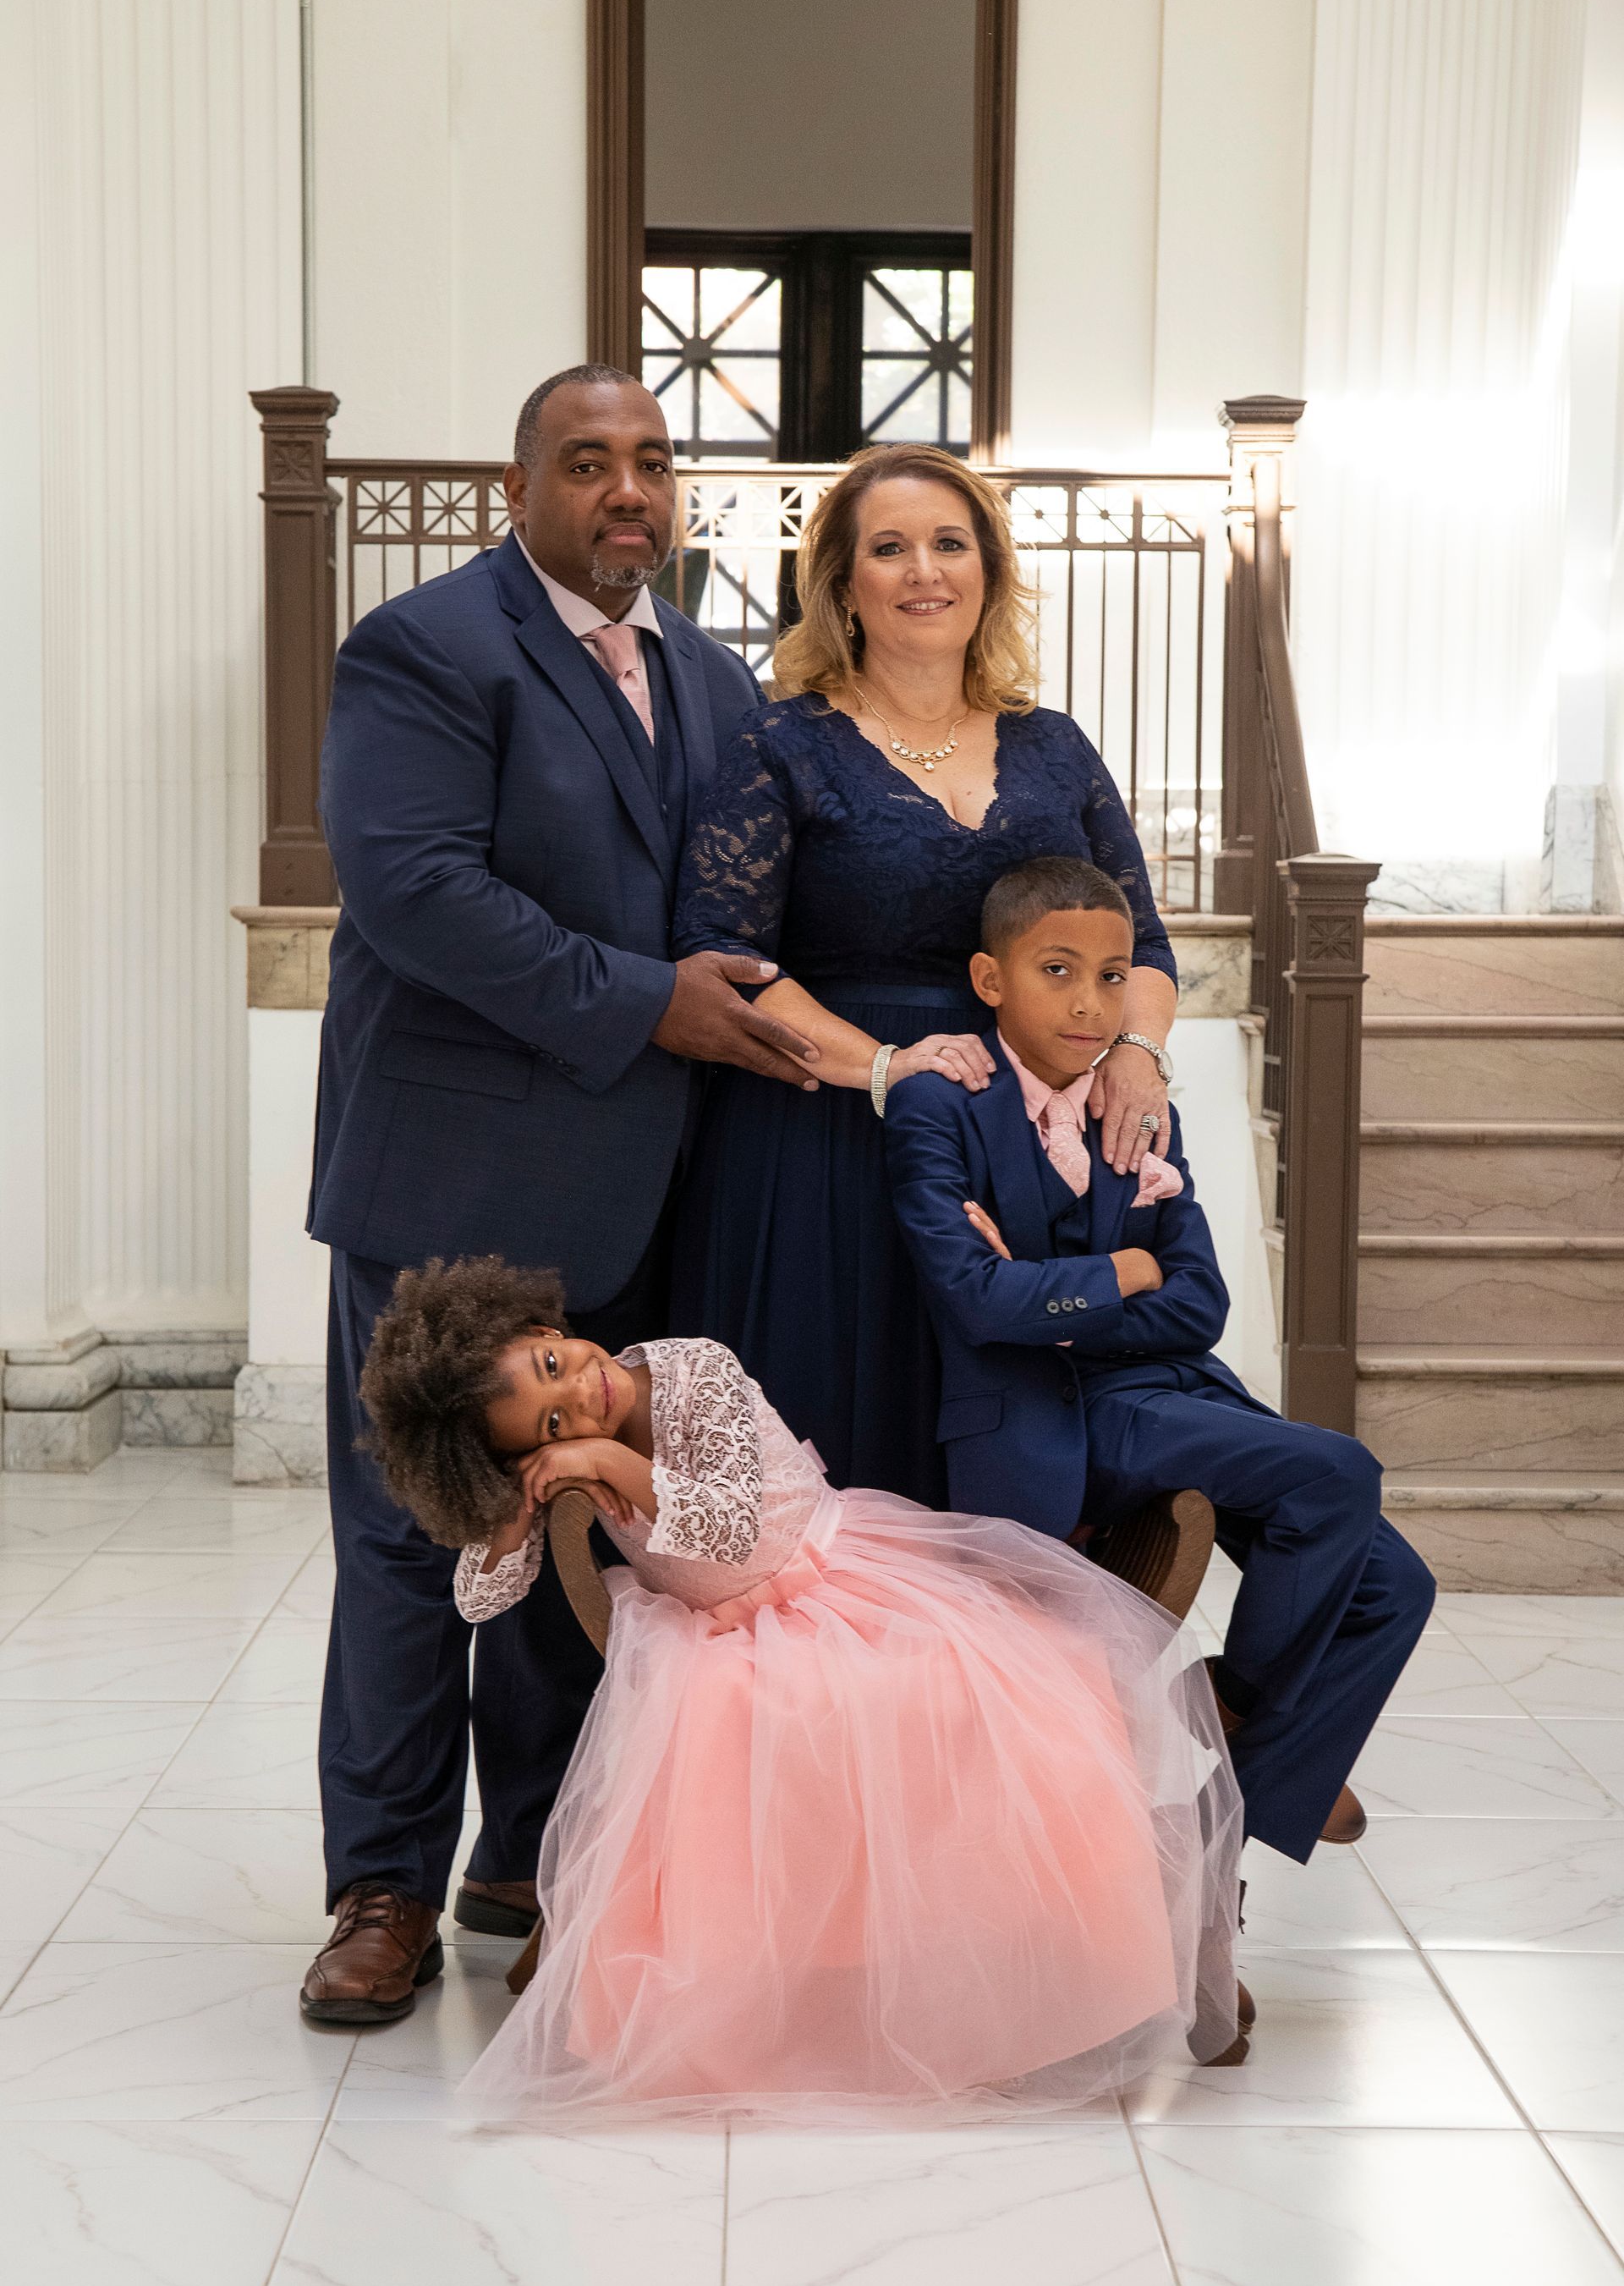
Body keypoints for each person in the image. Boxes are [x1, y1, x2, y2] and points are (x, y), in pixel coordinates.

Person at [299, 365, 816, 2027]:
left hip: (636, 1185)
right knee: (409, 1541)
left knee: (575, 1533)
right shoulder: (429, 651)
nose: (627, 490)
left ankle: (524, 1856)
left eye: (654, 462)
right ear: (514, 487)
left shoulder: (717, 682)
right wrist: (647, 1002)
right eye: (587, 461)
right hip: (447, 1188)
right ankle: (380, 1881)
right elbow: (416, 892)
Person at [354, 1256, 1245, 2121]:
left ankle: (1007, 1975)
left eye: (555, 1366)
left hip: (835, 1584)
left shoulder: (694, 1369)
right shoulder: (564, 1452)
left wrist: (611, 1464)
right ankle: (746, 2008)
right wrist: (513, 1514)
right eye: (549, 1423)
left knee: (962, 1704)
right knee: (722, 1725)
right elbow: (480, 1599)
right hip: (717, 1637)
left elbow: (734, 1530)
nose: (578, 1398)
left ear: (548, 1330)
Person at [886, 855, 1437, 1866]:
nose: (1091, 1002)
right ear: (988, 978)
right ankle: (1233, 1722)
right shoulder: (940, 1104)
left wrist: (1068, 1293)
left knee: (1397, 1584)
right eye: (1057, 970)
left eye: (1112, 975)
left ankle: (1236, 1769)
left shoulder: (1142, 1106)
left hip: (1169, 1392)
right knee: (1340, 1470)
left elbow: (1201, 1307)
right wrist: (1125, 1270)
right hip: (1054, 1414)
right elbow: (972, 1299)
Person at [670, 442, 1181, 1509]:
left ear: (988, 571)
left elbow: (1148, 949)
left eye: (950, 544)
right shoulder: (781, 744)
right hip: (824, 1144)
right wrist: (891, 1069)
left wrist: (1135, 1053)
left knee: (1005, 1462)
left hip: (1020, 1143)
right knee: (839, 1458)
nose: (923, 571)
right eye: (889, 548)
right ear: (843, 585)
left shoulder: (1056, 749)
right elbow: (730, 961)